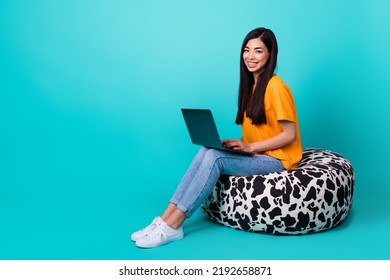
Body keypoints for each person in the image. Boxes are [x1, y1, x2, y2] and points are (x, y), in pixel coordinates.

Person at [131, 27, 302, 248]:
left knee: (216, 159)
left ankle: (174, 226)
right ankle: (163, 220)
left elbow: (290, 134)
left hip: (279, 161)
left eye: (258, 51)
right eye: (247, 50)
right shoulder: (251, 86)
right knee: (207, 151)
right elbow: (261, 130)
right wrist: (239, 145)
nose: (250, 56)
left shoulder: (277, 87)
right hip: (259, 153)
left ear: (270, 54)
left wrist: (249, 148)